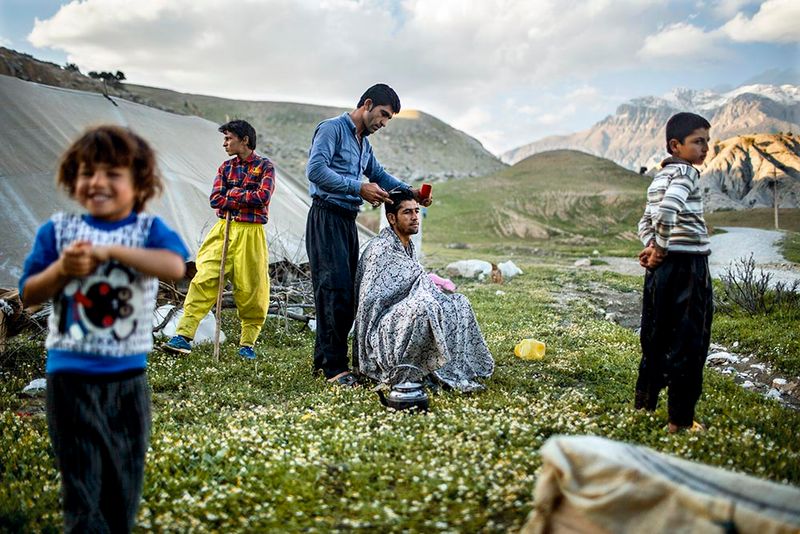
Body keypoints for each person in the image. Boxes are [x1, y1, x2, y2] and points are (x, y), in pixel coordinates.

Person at [18, 125, 189, 532]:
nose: (96, 182)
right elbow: (28, 295)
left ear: (139, 183)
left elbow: (175, 267)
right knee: (80, 479)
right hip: (69, 377)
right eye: (86, 172)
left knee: (123, 477)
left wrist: (113, 251)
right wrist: (62, 268)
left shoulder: (148, 232)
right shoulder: (58, 233)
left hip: (128, 378)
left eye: (112, 173)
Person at [305, 83, 431, 386]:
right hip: (326, 215)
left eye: (388, 119)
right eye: (383, 115)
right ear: (368, 104)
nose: (383, 123)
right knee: (333, 290)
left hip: (347, 220)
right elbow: (315, 170)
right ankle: (334, 368)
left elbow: (379, 175)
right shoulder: (332, 129)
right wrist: (357, 187)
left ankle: (324, 360)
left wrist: (409, 192)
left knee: (347, 291)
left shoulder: (364, 144)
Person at [353, 189, 494, 391]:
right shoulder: (381, 248)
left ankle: (448, 366)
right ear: (392, 218)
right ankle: (408, 370)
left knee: (459, 302)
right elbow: (371, 300)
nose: (415, 217)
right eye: (407, 212)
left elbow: (414, 281)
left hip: (402, 309)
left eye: (416, 211)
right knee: (425, 308)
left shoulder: (406, 245)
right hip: (380, 325)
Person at [164, 120, 275, 359]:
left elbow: (262, 197)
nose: (224, 143)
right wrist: (243, 196)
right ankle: (183, 336)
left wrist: (232, 194)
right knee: (204, 277)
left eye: (228, 138)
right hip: (224, 228)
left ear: (244, 140)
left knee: (252, 287)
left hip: (251, 232)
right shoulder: (225, 168)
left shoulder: (265, 167)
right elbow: (215, 199)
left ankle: (247, 343)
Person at [635, 112, 713, 433]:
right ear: (676, 145)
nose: (705, 148)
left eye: (707, 142)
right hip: (687, 267)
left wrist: (651, 246)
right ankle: (680, 421)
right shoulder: (686, 174)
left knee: (655, 335)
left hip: (660, 271)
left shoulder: (658, 177)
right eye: (698, 142)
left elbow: (646, 219)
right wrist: (663, 247)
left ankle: (644, 405)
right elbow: (669, 210)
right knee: (689, 340)